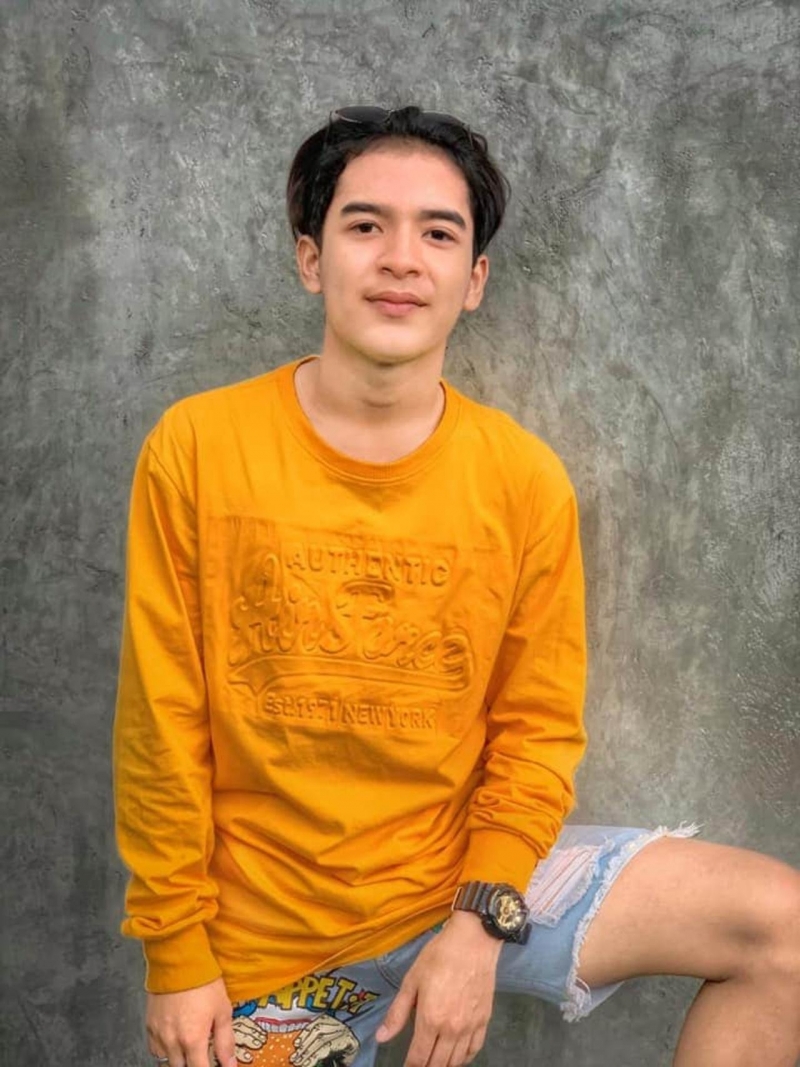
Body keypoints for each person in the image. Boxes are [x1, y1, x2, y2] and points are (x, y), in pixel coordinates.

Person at [113, 106, 800, 1067]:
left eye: (438, 233)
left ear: (473, 279)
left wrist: (478, 924)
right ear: (311, 258)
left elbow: (536, 732)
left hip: (468, 882)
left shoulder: (521, 479)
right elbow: (162, 724)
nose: (401, 258)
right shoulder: (198, 448)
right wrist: (176, 956)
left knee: (784, 929)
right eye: (366, 225)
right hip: (272, 944)